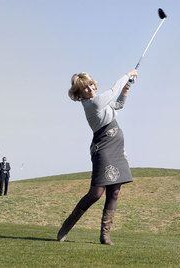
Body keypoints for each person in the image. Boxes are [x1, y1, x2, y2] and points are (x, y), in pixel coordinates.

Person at [57, 69, 138, 245]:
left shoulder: (102, 102)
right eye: (85, 88)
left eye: (91, 84)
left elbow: (118, 105)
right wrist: (127, 75)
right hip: (103, 148)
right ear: (79, 94)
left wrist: (126, 89)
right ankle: (66, 227)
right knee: (96, 193)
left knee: (115, 192)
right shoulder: (92, 104)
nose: (90, 88)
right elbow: (112, 91)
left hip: (117, 148)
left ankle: (105, 235)